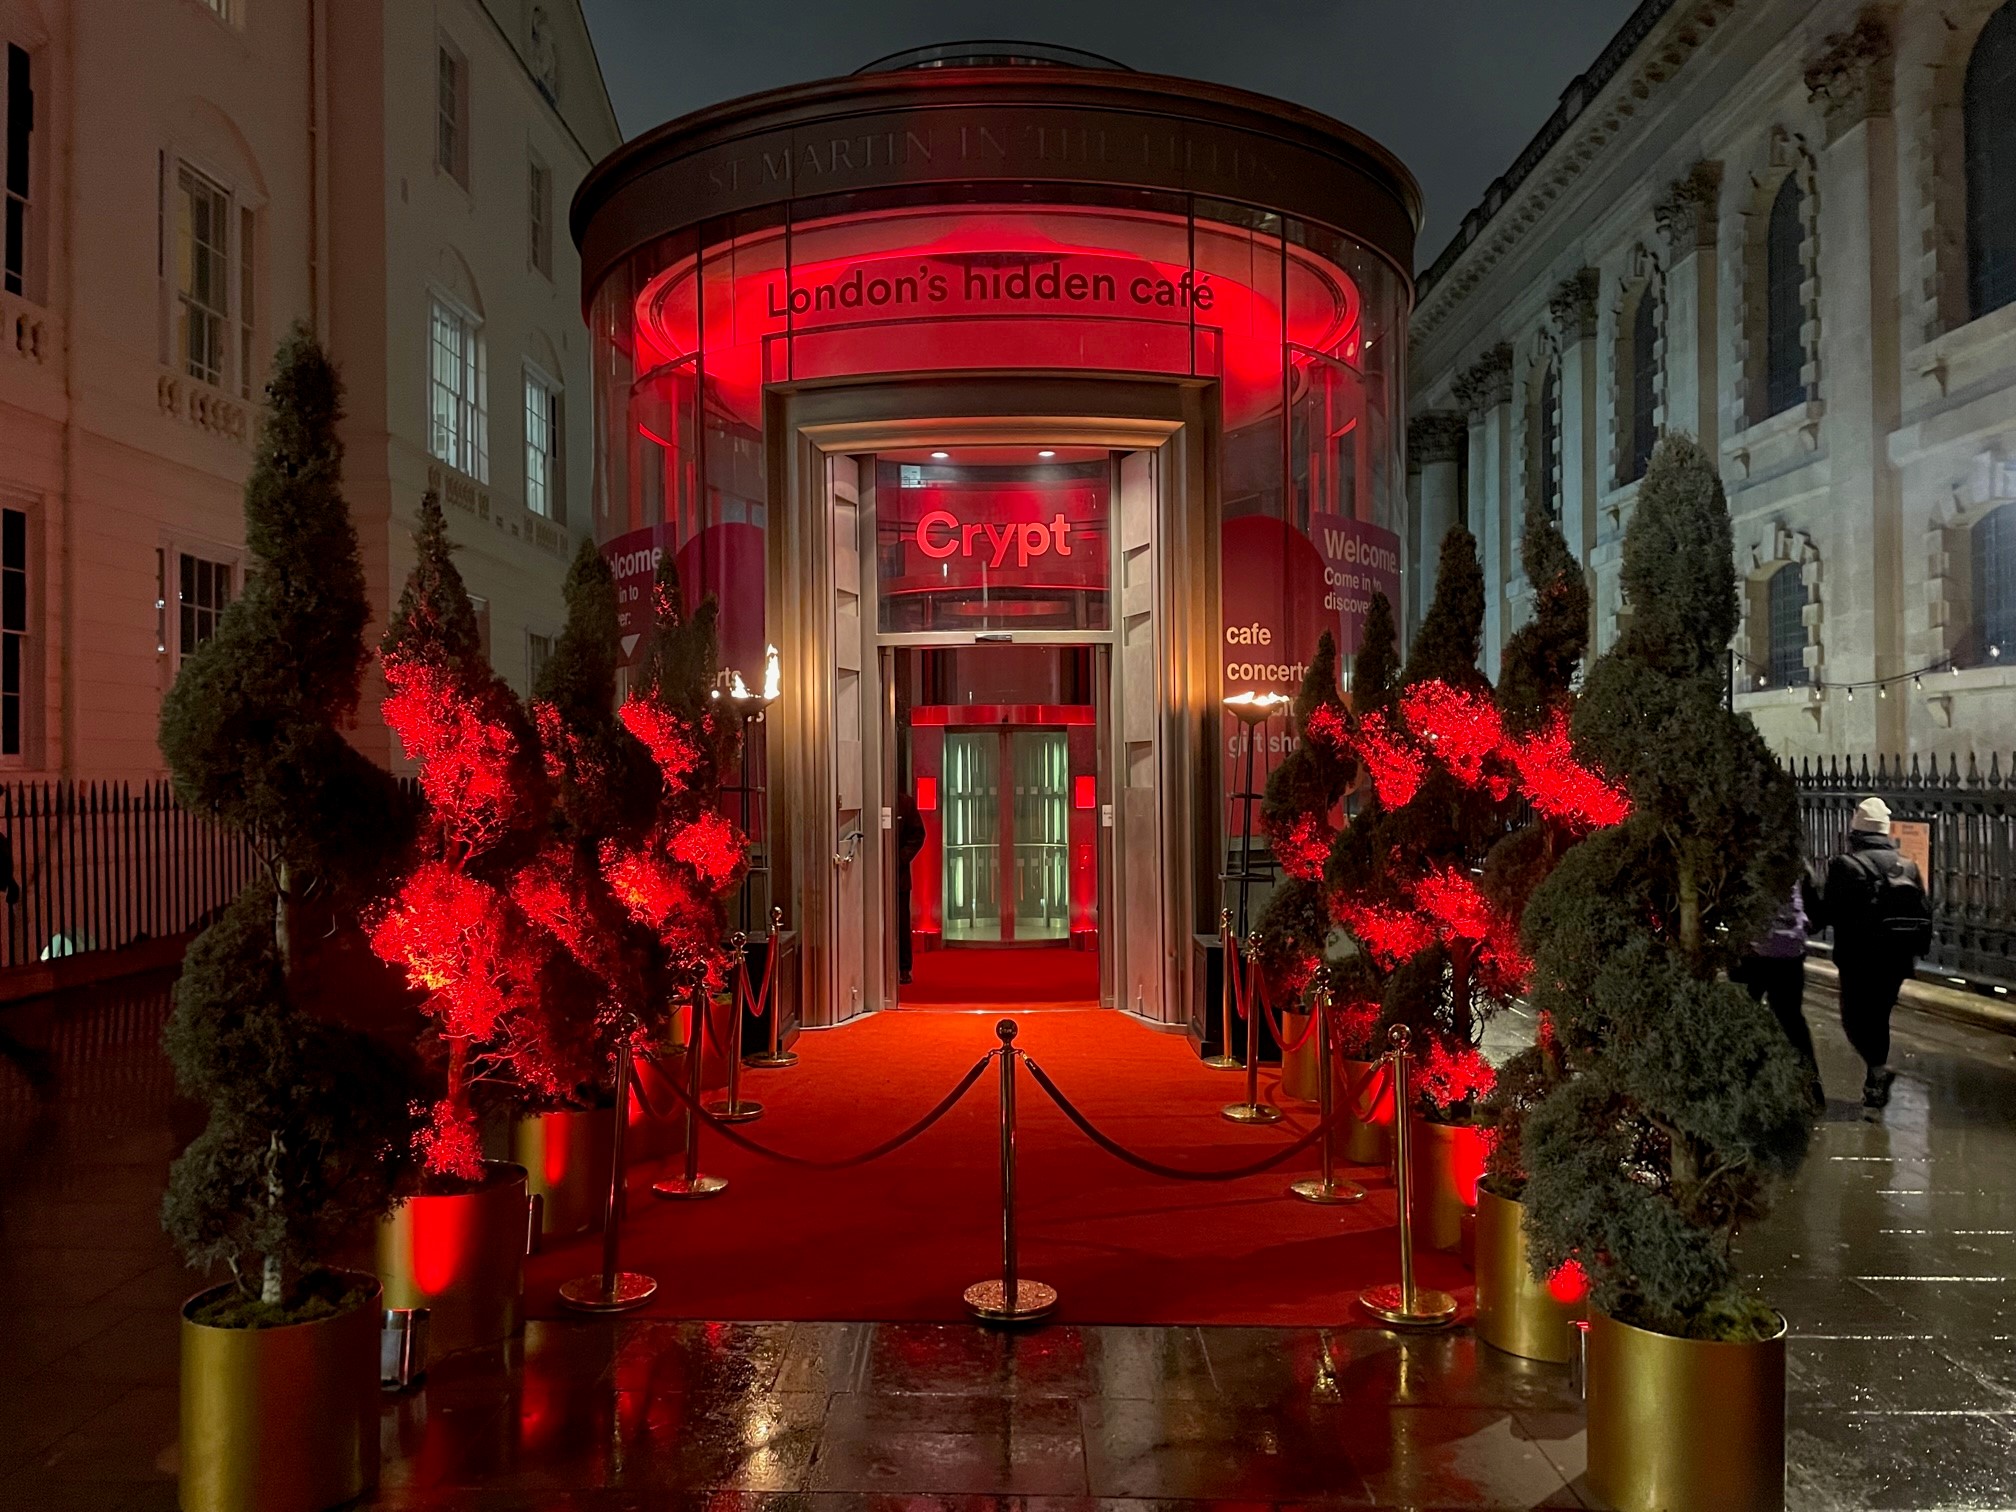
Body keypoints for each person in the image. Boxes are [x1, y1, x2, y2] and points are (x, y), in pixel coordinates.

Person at [1823, 796, 1933, 1110]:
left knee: (1854, 1020)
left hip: (1858, 959)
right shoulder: (1907, 865)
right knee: (1879, 1017)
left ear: (1855, 831)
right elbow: (1925, 910)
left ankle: (1876, 1071)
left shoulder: (1844, 865)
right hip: (1896, 959)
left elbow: (1830, 909)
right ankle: (1876, 1075)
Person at [1733, 872, 1824, 1111]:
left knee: (1743, 1019)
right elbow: (1816, 910)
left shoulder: (1743, 858)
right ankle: (1812, 1092)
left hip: (1752, 951)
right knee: (1792, 1021)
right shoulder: (1798, 865)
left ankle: (1744, 1088)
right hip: (1790, 952)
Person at [895, 790, 926, 985]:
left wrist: (901, 858)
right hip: (871, 879)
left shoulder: (904, 802)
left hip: (899, 877)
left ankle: (904, 968)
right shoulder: (870, 800)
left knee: (901, 923)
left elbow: (918, 834)